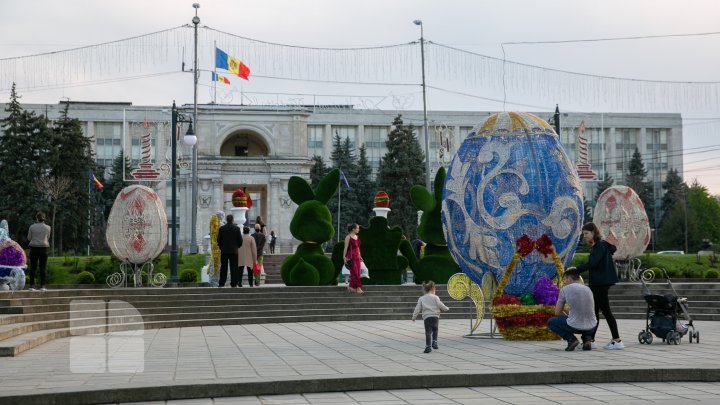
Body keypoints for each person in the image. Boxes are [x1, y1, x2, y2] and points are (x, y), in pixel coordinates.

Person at [576, 222, 624, 350]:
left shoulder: (600, 246)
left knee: (606, 312)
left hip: (600, 284)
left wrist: (576, 270)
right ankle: (591, 340)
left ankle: (617, 340)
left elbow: (593, 263)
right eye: (583, 234)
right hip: (598, 284)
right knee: (595, 313)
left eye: (586, 233)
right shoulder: (598, 246)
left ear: (593, 233)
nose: (584, 236)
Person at [547, 267, 598, 351]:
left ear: (569, 278)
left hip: (575, 325)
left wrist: (566, 316)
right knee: (584, 319)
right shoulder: (588, 289)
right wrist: (569, 313)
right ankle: (587, 340)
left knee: (551, 322)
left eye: (565, 279)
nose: (564, 282)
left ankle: (571, 340)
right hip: (592, 326)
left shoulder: (564, 290)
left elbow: (557, 312)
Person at [411, 281, 449, 353]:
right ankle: (434, 342)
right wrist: (446, 308)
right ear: (433, 289)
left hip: (427, 317)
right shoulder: (436, 297)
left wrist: (414, 317)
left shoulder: (421, 298)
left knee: (428, 332)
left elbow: (417, 308)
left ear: (425, 290)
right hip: (435, 317)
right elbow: (440, 304)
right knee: (435, 329)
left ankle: (428, 347)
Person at [27, 212, 51, 291]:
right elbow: (48, 237)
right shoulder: (48, 227)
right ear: (44, 218)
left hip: (34, 248)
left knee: (33, 268)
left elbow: (29, 238)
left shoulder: (32, 227)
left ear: (36, 218)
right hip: (43, 249)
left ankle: (31, 286)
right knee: (43, 268)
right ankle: (43, 286)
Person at [216, 214, 242, 287]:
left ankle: (221, 283)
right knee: (234, 267)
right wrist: (237, 246)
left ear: (226, 220)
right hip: (234, 251)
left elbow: (218, 240)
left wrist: (221, 247)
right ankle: (234, 283)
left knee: (223, 267)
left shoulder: (221, 229)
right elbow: (240, 240)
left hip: (224, 251)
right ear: (233, 220)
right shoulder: (236, 228)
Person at [342, 223, 364, 294]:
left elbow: (358, 248)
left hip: (357, 257)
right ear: (353, 229)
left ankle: (351, 287)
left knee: (357, 273)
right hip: (351, 257)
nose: (358, 230)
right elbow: (345, 248)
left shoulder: (357, 236)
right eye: (357, 228)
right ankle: (358, 287)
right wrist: (344, 257)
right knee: (354, 273)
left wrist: (360, 256)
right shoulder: (348, 237)